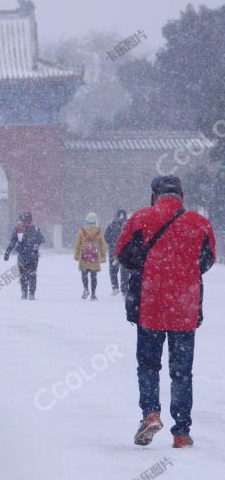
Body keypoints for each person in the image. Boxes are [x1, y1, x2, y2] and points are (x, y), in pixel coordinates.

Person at [116, 175, 215, 449]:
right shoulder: (200, 223)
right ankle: (181, 432)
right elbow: (207, 260)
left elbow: (123, 255)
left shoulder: (140, 218)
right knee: (182, 372)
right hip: (184, 307)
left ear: (154, 194)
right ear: (181, 194)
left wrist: (152, 268)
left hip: (149, 307)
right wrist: (181, 273)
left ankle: (150, 413)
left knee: (149, 365)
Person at [4, 211, 45, 300]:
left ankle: (31, 293)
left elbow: (42, 239)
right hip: (23, 256)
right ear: (21, 220)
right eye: (24, 221)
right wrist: (7, 252)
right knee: (23, 275)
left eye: (28, 221)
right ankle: (24, 292)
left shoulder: (36, 229)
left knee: (32, 274)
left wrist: (39, 241)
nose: (26, 223)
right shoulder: (17, 229)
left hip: (33, 256)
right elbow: (13, 242)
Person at [73, 212, 107, 300]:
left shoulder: (82, 230)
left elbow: (78, 243)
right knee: (93, 276)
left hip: (84, 256)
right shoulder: (98, 231)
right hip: (94, 257)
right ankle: (93, 294)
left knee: (84, 274)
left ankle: (85, 289)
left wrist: (76, 254)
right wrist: (103, 256)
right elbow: (102, 244)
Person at [104, 209, 129, 295]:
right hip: (125, 251)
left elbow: (106, 236)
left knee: (113, 270)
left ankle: (115, 287)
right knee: (124, 270)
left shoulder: (112, 224)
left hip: (113, 251)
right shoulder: (128, 224)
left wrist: (112, 243)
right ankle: (124, 289)